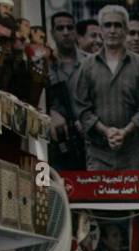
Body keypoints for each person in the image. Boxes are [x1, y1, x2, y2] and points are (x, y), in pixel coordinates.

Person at [73, 5, 139, 171]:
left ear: (125, 29)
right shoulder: (87, 67)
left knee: (134, 196)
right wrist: (105, 131)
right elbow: (81, 107)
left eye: (118, 25)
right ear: (101, 30)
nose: (112, 30)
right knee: (99, 196)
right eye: (107, 25)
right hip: (98, 154)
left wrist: (125, 132)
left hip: (134, 154)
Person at [47, 11, 87, 170]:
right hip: (58, 142)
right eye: (60, 28)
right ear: (52, 33)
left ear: (76, 31)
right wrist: (50, 113)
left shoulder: (90, 62)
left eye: (70, 28)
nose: (65, 33)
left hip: (88, 141)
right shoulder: (44, 64)